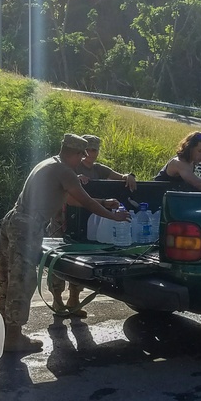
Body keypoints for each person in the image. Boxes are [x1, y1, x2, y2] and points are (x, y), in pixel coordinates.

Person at [0, 133, 130, 348]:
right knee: (22, 280)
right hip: (27, 226)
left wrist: (105, 202)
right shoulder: (64, 171)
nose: (82, 160)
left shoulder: (50, 163)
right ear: (77, 153)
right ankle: (13, 337)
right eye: (81, 155)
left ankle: (5, 330)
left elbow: (69, 199)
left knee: (7, 275)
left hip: (14, 220)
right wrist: (114, 216)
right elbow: (85, 201)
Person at [48, 134, 136, 317]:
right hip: (63, 219)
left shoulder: (99, 170)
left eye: (94, 150)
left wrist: (129, 176)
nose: (90, 154)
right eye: (87, 150)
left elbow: (121, 177)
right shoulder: (71, 166)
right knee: (56, 262)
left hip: (86, 221)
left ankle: (74, 299)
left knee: (80, 262)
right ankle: (57, 299)